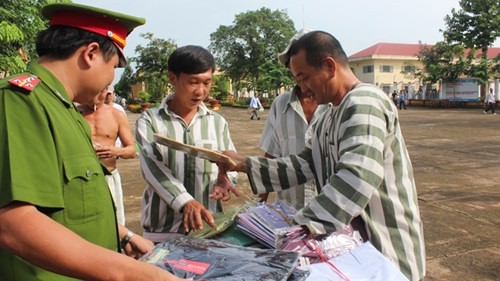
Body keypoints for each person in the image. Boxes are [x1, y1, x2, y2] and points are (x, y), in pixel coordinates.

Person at [0, 3, 188, 280]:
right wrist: (133, 274)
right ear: (90, 54)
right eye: (113, 67)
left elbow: (74, 203)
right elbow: (13, 223)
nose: (111, 79)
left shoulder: (67, 110)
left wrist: (122, 234)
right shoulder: (21, 102)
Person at [221, 31, 425, 281]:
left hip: (385, 248)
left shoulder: (365, 101)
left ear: (329, 66)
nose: (303, 87)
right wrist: (243, 164)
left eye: (304, 77)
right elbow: (303, 165)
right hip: (354, 250)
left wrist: (301, 227)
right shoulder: (327, 116)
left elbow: (358, 175)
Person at [135, 45, 239, 243]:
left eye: (207, 83)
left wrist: (226, 181)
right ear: (173, 78)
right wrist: (185, 202)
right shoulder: (150, 121)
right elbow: (152, 168)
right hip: (163, 233)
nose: (201, 91)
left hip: (209, 230)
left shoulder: (217, 123)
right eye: (193, 82)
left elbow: (229, 160)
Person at [258, 29, 328, 209]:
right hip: (289, 206)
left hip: (329, 211)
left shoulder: (335, 105)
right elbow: (272, 152)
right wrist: (263, 193)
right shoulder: (280, 104)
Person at [77, 86, 137, 226]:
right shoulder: (74, 113)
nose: (98, 95)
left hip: (108, 176)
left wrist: (115, 151)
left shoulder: (116, 114)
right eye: (94, 91)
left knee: (114, 224)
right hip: (81, 179)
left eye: (102, 91)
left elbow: (131, 150)